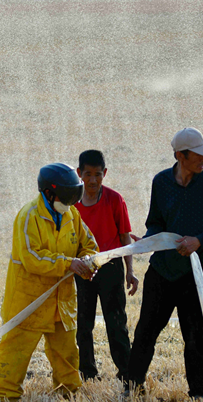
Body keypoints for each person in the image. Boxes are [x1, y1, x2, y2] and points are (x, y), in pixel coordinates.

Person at [126, 128, 203, 400]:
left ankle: (199, 394)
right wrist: (148, 241)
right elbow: (156, 222)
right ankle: (131, 387)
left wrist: (200, 240)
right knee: (145, 331)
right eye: (198, 155)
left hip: (200, 272)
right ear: (180, 156)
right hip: (163, 270)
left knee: (196, 335)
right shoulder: (160, 182)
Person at [0, 163, 99, 402]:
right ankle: (7, 396)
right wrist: (68, 264)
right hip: (28, 300)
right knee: (16, 352)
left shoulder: (71, 214)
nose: (71, 201)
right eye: (66, 195)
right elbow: (32, 258)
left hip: (61, 301)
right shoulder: (28, 215)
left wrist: (87, 262)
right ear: (49, 193)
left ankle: (68, 394)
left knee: (67, 353)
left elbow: (89, 244)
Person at [73, 150, 138, 381]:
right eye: (87, 174)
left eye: (98, 175)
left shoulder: (114, 199)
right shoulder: (72, 203)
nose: (92, 180)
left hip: (111, 267)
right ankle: (87, 373)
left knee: (116, 322)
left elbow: (124, 237)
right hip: (83, 269)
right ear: (79, 173)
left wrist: (130, 270)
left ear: (105, 174)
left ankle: (127, 373)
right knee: (83, 323)